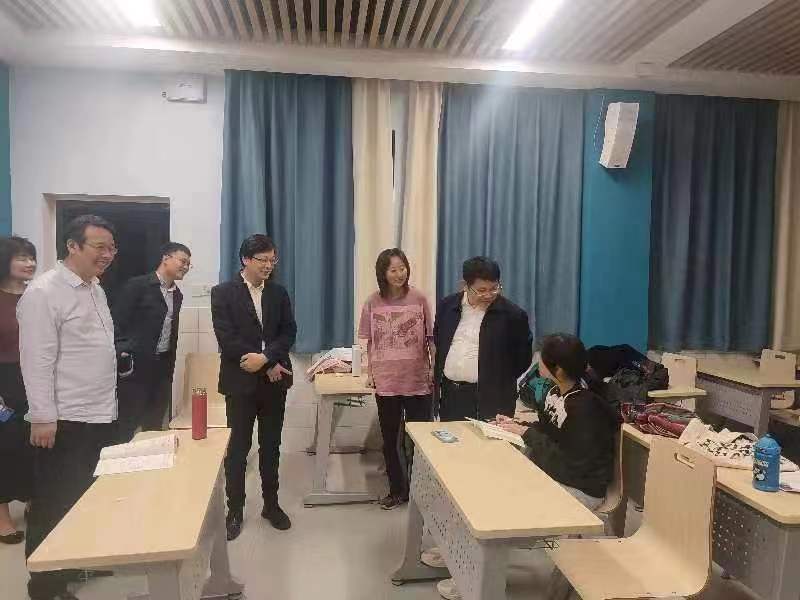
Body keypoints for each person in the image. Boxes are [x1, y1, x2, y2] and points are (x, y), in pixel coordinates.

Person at [434, 334, 617, 600]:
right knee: (481, 492)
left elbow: (573, 464)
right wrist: (518, 426)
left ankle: (473, 581)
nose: (537, 364)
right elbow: (551, 431)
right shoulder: (557, 393)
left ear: (558, 370)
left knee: (491, 510)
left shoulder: (585, 409)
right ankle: (461, 565)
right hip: (556, 476)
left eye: (541, 360)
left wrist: (528, 436)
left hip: (579, 489)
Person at [18, 215, 119, 600]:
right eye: (99, 247)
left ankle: (74, 563)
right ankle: (45, 587)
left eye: (112, 248)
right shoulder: (44, 292)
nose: (107, 254)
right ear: (72, 246)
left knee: (82, 497)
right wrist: (43, 417)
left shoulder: (95, 288)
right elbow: (36, 361)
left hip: (98, 413)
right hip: (64, 419)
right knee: (53, 502)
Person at [211, 234, 296, 541]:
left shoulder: (278, 292)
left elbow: (288, 332)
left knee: (271, 447)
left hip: (274, 383)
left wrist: (267, 358)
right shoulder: (223, 293)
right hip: (240, 383)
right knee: (238, 450)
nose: (269, 265)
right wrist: (263, 361)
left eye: (273, 260)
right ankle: (234, 510)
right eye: (263, 260)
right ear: (245, 259)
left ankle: (271, 506)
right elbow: (227, 338)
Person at [358, 248, 434, 510]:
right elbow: (369, 342)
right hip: (387, 382)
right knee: (390, 441)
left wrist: (432, 369)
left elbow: (430, 339)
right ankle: (397, 491)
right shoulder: (373, 302)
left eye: (402, 268)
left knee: (419, 441)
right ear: (383, 273)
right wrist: (370, 374)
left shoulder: (419, 298)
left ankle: (422, 492)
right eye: (393, 270)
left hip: (417, 381)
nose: (399, 274)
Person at [433, 256, 532, 421]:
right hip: (451, 394)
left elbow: (522, 359)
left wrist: (497, 379)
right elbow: (440, 341)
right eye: (481, 290)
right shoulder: (447, 306)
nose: (488, 295)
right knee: (452, 437)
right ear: (465, 286)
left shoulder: (513, 315)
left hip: (493, 398)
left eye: (494, 288)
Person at [113, 242, 191, 442]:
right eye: (182, 261)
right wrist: (123, 351)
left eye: (188, 264)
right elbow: (116, 323)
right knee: (127, 424)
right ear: (166, 258)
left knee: (155, 425)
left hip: (162, 367)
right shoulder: (138, 286)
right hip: (135, 369)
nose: (186, 267)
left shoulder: (177, 295)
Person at [0, 236, 36, 545]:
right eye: (22, 257)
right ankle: (2, 519)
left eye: (32, 257)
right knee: (5, 448)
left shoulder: (36, 296)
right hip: (4, 380)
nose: (30, 263)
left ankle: (33, 501)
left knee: (34, 445)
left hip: (35, 377)